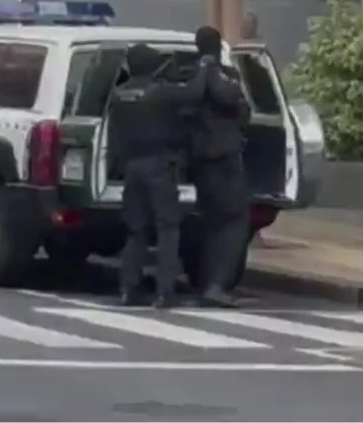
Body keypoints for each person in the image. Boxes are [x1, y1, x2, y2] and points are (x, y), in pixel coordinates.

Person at [107, 43, 211, 308]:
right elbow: (194, 94)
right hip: (159, 166)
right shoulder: (160, 92)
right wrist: (204, 68)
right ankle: (165, 292)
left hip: (132, 168)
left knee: (136, 231)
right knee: (168, 228)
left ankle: (128, 290)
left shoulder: (119, 94)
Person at [189, 25, 253, 308]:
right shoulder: (223, 76)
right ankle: (216, 286)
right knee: (234, 221)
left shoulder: (184, 74)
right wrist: (212, 69)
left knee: (211, 222)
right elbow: (235, 103)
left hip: (198, 160)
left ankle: (207, 283)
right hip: (223, 159)